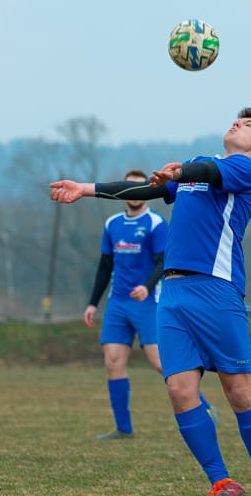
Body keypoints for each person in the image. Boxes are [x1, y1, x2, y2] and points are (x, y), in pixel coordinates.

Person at [50, 108, 251, 496]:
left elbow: (208, 173)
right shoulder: (202, 168)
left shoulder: (245, 170)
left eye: (248, 125)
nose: (238, 124)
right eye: (237, 120)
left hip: (216, 290)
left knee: (239, 391)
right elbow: (145, 191)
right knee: (180, 391)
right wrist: (86, 189)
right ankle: (222, 482)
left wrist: (182, 172)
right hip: (173, 294)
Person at [85, 169, 218, 440]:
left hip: (147, 303)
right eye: (129, 188)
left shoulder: (156, 223)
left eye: (139, 187)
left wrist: (146, 286)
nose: (134, 193)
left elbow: (162, 262)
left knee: (161, 364)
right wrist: (92, 303)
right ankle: (123, 428)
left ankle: (203, 408)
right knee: (112, 362)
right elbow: (105, 266)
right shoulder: (112, 224)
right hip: (117, 303)